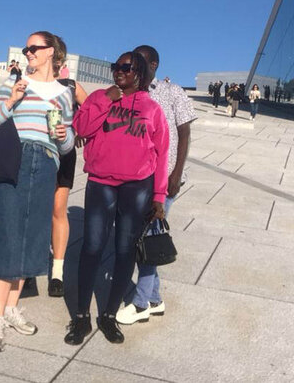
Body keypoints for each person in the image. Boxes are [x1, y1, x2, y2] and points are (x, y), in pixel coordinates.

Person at [65, 51, 169, 346]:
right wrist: (104, 99)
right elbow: (81, 129)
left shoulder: (153, 109)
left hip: (137, 187)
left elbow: (161, 156)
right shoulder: (101, 97)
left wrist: (159, 195)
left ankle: (108, 315)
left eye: (126, 67)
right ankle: (82, 317)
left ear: (139, 73)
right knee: (92, 247)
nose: (119, 71)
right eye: (116, 66)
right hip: (101, 183)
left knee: (125, 250)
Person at [0, 32, 75, 352]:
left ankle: (11, 308)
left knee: (32, 236)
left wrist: (62, 135)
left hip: (46, 164)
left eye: (33, 48)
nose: (28, 53)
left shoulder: (64, 93)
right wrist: (11, 100)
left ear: (51, 52)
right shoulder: (16, 82)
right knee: (8, 234)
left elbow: (66, 144)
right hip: (15, 158)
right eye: (26, 48)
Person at [116, 45, 197, 325]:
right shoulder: (133, 93)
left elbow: (184, 133)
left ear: (154, 64)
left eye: (140, 61)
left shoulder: (172, 91)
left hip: (165, 178)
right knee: (144, 236)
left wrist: (176, 174)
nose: (134, 67)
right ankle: (155, 299)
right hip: (138, 178)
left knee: (148, 235)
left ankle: (140, 304)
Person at [49, 38, 88, 298]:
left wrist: (79, 128)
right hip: (35, 152)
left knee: (58, 209)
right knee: (34, 210)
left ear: (59, 63)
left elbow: (93, 111)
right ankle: (30, 268)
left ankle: (57, 271)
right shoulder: (26, 85)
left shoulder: (71, 86)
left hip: (64, 154)